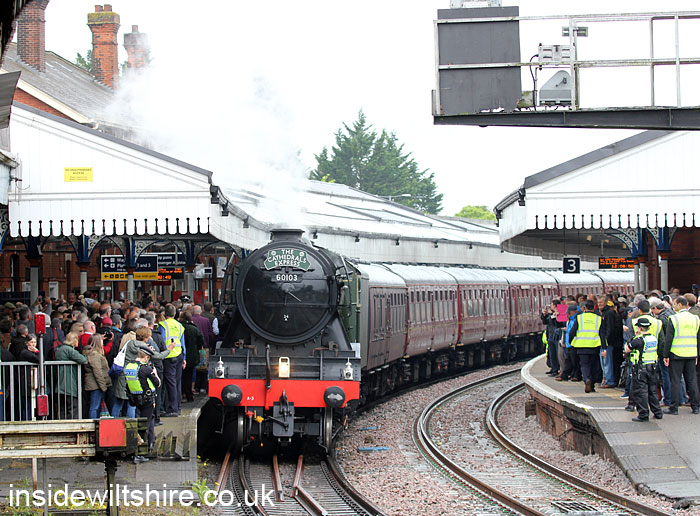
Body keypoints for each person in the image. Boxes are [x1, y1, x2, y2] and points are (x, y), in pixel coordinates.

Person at [663, 296, 700, 415]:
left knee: (675, 381)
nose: (673, 307)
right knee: (692, 380)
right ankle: (695, 407)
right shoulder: (695, 318)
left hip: (676, 353)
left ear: (679, 305)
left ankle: (674, 407)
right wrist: (697, 354)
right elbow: (698, 338)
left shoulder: (674, 318)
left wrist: (665, 355)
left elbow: (668, 339)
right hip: (691, 353)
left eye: (674, 304)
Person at [125, 344, 161, 463]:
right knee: (146, 425)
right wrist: (155, 373)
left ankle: (142, 448)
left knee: (138, 424)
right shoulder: (145, 369)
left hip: (135, 399)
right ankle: (141, 453)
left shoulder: (129, 366)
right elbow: (157, 383)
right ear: (146, 357)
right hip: (147, 400)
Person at [626, 319, 663, 422]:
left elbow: (627, 349)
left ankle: (643, 414)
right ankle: (657, 412)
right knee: (653, 391)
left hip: (641, 369)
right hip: (652, 367)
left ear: (639, 328)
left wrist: (634, 337)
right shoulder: (653, 338)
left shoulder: (638, 340)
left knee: (641, 392)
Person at [569, 299, 607, 393]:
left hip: (581, 345)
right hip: (594, 345)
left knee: (584, 364)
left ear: (585, 308)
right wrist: (604, 348)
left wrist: (570, 341)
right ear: (594, 308)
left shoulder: (579, 318)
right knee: (593, 365)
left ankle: (587, 379)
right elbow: (602, 334)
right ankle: (592, 385)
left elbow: (572, 331)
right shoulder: (599, 318)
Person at [158, 305, 186, 417]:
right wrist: (184, 358)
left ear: (165, 314)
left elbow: (161, 341)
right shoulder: (180, 325)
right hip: (179, 355)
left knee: (170, 383)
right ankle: (177, 407)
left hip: (168, 355)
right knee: (177, 382)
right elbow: (182, 343)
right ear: (175, 314)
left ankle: (172, 409)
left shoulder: (162, 325)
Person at [54, 332, 88, 419]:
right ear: (74, 341)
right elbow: (83, 360)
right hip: (69, 384)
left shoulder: (59, 349)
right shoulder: (69, 350)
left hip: (60, 384)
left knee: (62, 408)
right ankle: (73, 424)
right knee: (73, 407)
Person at [83, 334, 112, 419]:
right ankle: (93, 424)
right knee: (94, 407)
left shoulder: (93, 353)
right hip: (95, 385)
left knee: (95, 406)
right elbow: (97, 371)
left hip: (95, 384)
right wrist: (103, 386)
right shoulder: (94, 354)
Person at [179, 310, 203, 403]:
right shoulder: (194, 328)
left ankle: (181, 394)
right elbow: (200, 341)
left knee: (180, 376)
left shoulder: (180, 327)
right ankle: (189, 395)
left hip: (181, 355)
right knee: (189, 376)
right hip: (193, 355)